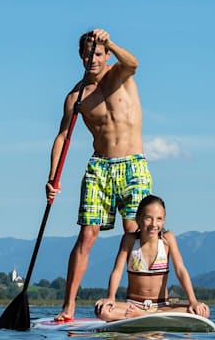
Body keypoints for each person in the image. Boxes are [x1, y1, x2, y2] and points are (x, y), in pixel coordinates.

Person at [47, 28, 151, 322]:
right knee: (86, 236)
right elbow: (62, 136)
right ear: (81, 57)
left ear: (106, 55)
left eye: (98, 52)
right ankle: (68, 308)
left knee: (134, 233)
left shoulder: (121, 75)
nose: (92, 58)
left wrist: (111, 42)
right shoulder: (76, 97)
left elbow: (134, 63)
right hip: (100, 168)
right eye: (88, 53)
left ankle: (135, 302)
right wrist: (52, 178)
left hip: (133, 164)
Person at [94, 195, 210, 321]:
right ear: (138, 219)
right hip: (133, 306)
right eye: (148, 218)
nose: (154, 224)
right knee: (103, 310)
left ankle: (143, 316)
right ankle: (145, 315)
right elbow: (117, 270)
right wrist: (111, 297)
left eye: (159, 219)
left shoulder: (167, 239)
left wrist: (193, 301)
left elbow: (180, 270)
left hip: (161, 307)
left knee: (202, 311)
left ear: (164, 220)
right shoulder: (129, 240)